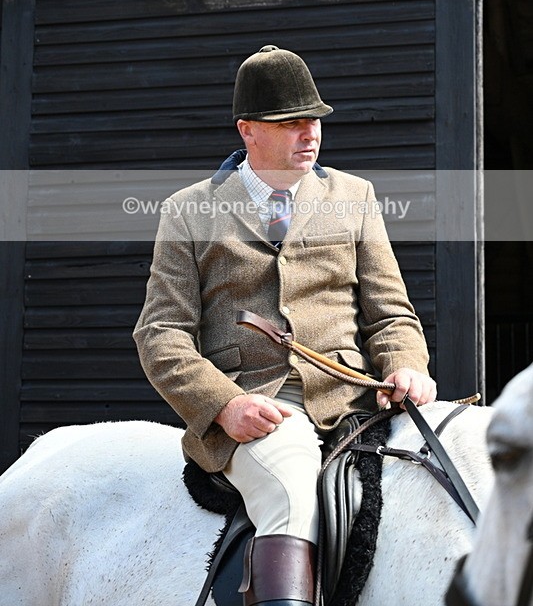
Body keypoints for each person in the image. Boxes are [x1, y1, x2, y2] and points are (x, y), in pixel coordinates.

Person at [133, 45, 437, 606]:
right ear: (247, 130)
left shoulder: (355, 196)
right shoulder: (187, 209)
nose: (309, 133)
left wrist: (406, 364)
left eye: (313, 119)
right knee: (294, 491)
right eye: (290, 122)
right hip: (260, 405)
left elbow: (391, 311)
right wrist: (223, 405)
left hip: (358, 398)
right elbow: (161, 335)